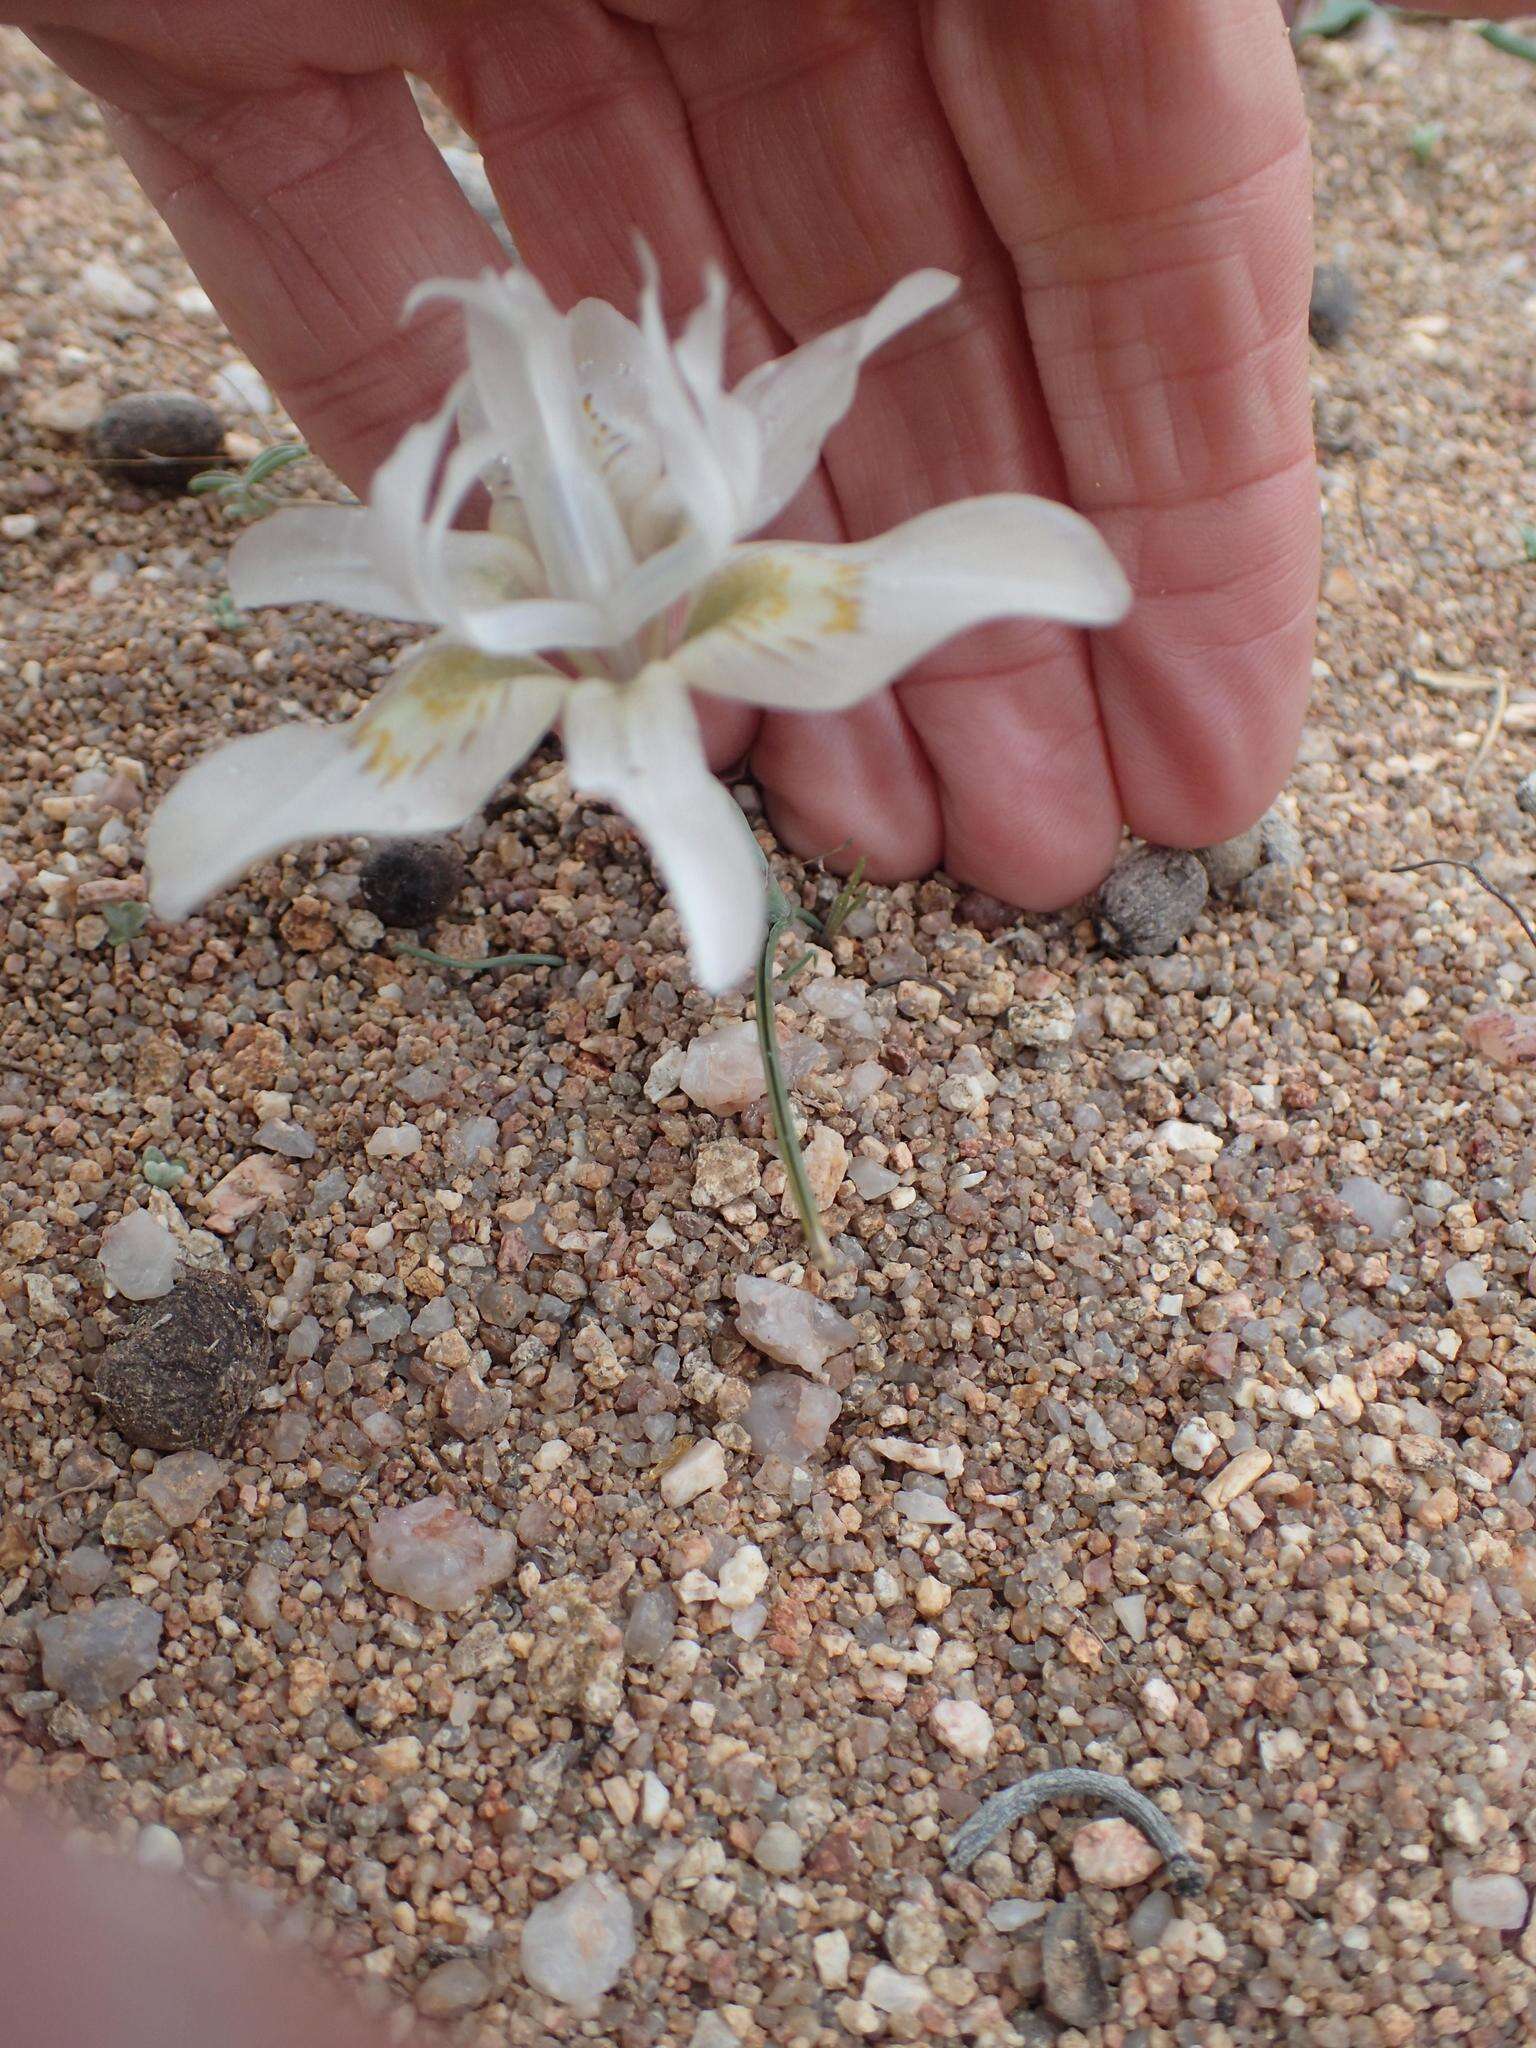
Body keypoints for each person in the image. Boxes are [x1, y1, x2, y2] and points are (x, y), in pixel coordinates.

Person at [0, 5, 1525, 2043]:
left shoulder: (730, 580)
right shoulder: (488, 666)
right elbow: (370, 612)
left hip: (691, 613)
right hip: (527, 652)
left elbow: (869, 455)